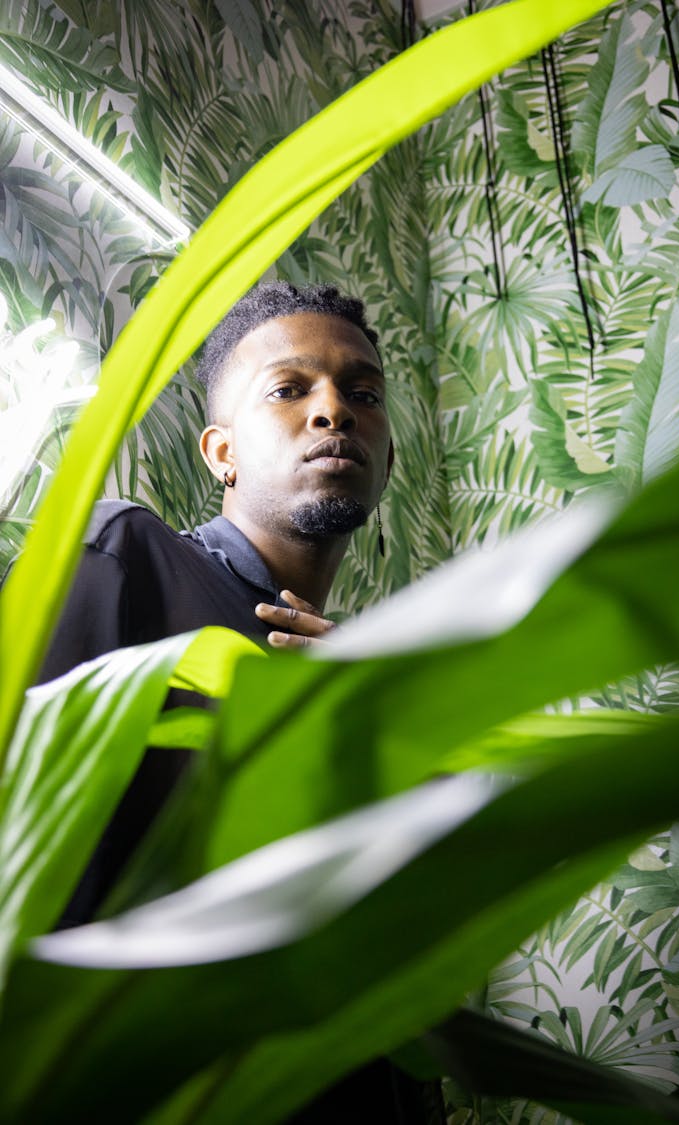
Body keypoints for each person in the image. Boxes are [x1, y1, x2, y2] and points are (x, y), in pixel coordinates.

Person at [37, 281, 444, 1124]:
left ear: (390, 455)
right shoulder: (126, 558)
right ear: (220, 452)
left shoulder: (364, 681)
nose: (334, 409)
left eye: (362, 393)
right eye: (290, 389)